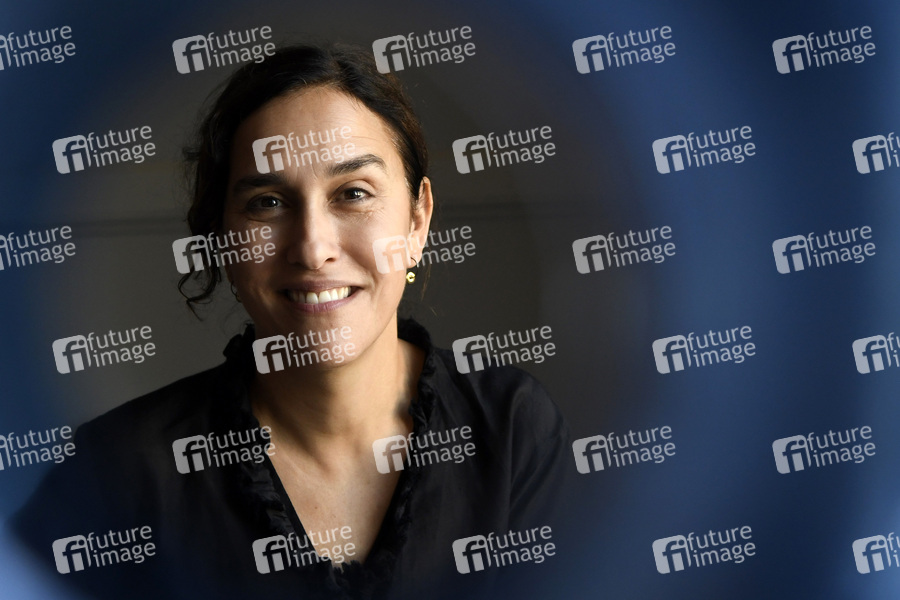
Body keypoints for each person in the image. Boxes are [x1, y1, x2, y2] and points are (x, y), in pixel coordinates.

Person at [12, 44, 574, 600]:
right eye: (267, 202)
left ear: (417, 222)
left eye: (353, 193)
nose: (312, 248)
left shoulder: (510, 429)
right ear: (222, 238)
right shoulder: (118, 469)